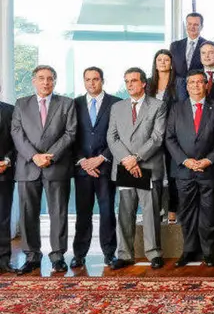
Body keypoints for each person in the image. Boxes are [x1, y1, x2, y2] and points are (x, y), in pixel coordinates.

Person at [12, 65, 77, 275]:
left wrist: (49, 156)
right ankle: (32, 256)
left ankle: (58, 256)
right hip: (27, 166)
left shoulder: (66, 103)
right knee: (28, 213)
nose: (46, 82)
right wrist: (34, 156)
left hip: (56, 166)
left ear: (55, 82)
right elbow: (17, 133)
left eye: (50, 78)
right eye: (41, 78)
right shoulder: (21, 104)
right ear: (34, 81)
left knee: (58, 212)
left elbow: (70, 133)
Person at [107, 67, 167, 271]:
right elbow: (112, 137)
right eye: (127, 81)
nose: (130, 84)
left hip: (147, 165)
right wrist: (126, 159)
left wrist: (136, 158)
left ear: (143, 83)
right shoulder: (117, 107)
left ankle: (154, 253)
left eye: (134, 80)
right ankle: (124, 254)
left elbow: (157, 137)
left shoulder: (158, 106)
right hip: (125, 166)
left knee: (150, 212)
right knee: (125, 211)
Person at [166, 69, 214, 268]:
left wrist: (209, 160)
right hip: (184, 170)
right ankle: (189, 251)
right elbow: (170, 138)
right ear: (187, 85)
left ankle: (208, 253)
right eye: (192, 83)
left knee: (209, 212)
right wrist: (185, 160)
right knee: (187, 212)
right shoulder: (176, 108)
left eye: (200, 82)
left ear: (206, 85)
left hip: (209, 169)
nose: (196, 86)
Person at [71, 67, 121, 268]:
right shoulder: (74, 104)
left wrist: (101, 158)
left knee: (108, 212)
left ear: (103, 80)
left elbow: (119, 135)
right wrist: (83, 160)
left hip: (105, 167)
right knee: (83, 213)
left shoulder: (116, 103)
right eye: (88, 80)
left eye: (95, 79)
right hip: (82, 168)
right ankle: (79, 254)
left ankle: (109, 254)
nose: (91, 83)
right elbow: (70, 136)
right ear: (84, 81)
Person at [146, 49, 181, 224]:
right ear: (155, 63)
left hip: (172, 133)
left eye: (166, 59)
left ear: (171, 63)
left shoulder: (179, 83)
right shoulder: (148, 83)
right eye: (159, 59)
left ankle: (173, 209)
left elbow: (181, 108)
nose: (162, 62)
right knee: (153, 172)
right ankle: (156, 208)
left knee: (173, 172)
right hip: (151, 134)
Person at [0, 95, 13, 273]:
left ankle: (3, 260)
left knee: (3, 218)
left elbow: (16, 140)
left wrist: (7, 161)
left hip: (4, 171)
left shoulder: (10, 110)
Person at [169, 12, 205, 78]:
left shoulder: (207, 45)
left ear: (202, 26)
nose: (192, 27)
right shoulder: (175, 46)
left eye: (196, 24)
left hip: (198, 84)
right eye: (189, 24)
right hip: (178, 85)